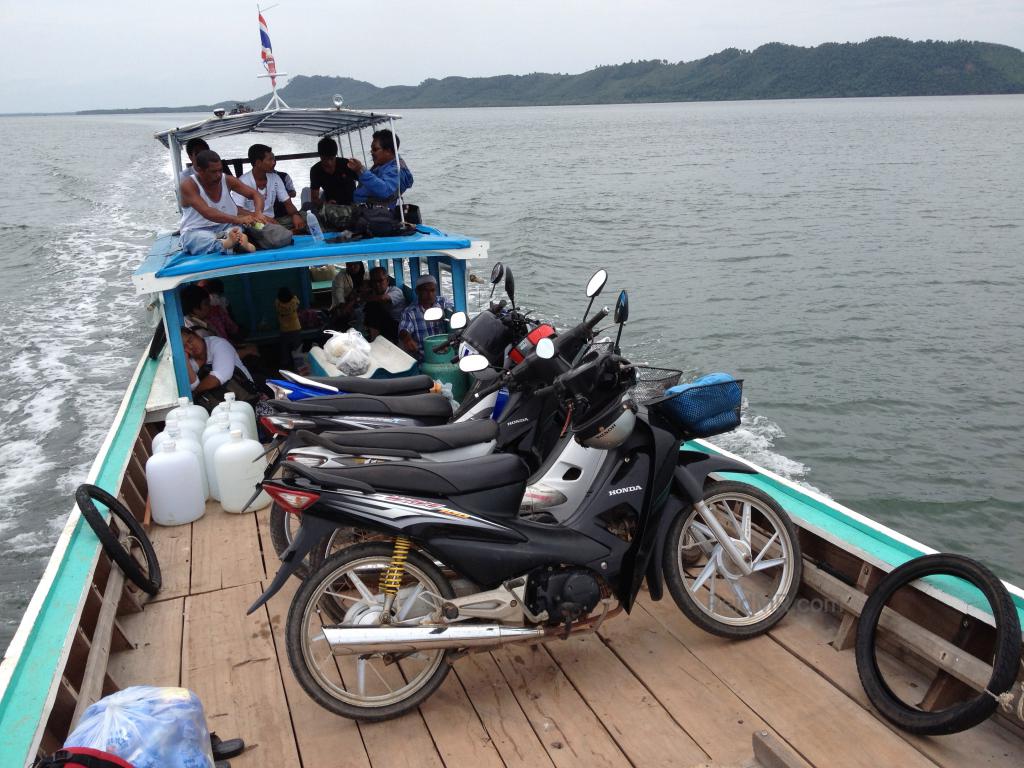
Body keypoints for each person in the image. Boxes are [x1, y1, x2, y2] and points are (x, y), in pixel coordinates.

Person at [178, 150, 273, 255]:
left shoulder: (228, 180)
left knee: (234, 231)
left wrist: (258, 212)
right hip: (196, 230)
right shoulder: (188, 185)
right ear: (200, 170)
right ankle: (235, 244)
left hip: (224, 228)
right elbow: (208, 212)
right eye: (213, 172)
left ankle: (231, 242)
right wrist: (238, 219)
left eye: (220, 170)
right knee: (201, 238)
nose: (218, 175)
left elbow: (256, 195)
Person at [180, 327, 261, 410]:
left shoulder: (218, 344)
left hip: (244, 397)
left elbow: (217, 379)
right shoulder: (190, 360)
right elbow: (194, 386)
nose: (190, 346)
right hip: (217, 405)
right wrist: (185, 359)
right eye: (184, 347)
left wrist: (195, 393)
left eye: (190, 340)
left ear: (197, 335)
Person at [232, 144, 305, 231]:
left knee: (305, 217)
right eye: (270, 160)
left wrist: (295, 215)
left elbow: (288, 203)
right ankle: (284, 234)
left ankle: (284, 233)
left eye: (274, 159)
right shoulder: (243, 181)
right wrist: (264, 218)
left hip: (273, 221)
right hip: (252, 222)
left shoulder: (275, 178)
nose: (274, 162)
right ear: (258, 163)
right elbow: (237, 211)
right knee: (264, 229)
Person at [348, 129, 413, 209]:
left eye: (375, 149)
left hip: (377, 215)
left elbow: (385, 191)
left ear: (388, 151)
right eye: (371, 149)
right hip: (365, 211)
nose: (371, 152)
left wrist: (361, 170)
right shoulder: (381, 166)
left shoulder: (396, 170)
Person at [398, 274, 451, 359]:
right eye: (425, 291)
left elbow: (455, 311)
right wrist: (407, 340)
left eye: (433, 291)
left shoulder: (441, 302)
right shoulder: (410, 312)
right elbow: (404, 330)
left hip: (446, 352)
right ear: (417, 291)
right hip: (425, 358)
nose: (430, 294)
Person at [309, 137, 358, 208]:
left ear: (335, 155)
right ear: (320, 156)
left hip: (353, 203)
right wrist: (325, 204)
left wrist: (359, 196)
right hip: (332, 207)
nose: (329, 163)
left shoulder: (346, 164)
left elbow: (363, 180)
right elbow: (314, 198)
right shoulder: (315, 171)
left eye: (332, 158)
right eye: (324, 159)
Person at [363, 266, 407, 342]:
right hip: (384, 325)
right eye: (374, 282)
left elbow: (383, 298)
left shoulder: (396, 291)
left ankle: (373, 338)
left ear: (387, 280)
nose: (377, 284)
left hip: (398, 327)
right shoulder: (374, 293)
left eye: (380, 281)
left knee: (373, 306)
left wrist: (363, 298)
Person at [275, 286, 302, 367]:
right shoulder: (294, 302)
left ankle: (285, 365)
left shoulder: (277, 303)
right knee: (297, 348)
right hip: (295, 328)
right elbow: (297, 302)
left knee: (284, 348)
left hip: (284, 329)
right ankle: (298, 365)